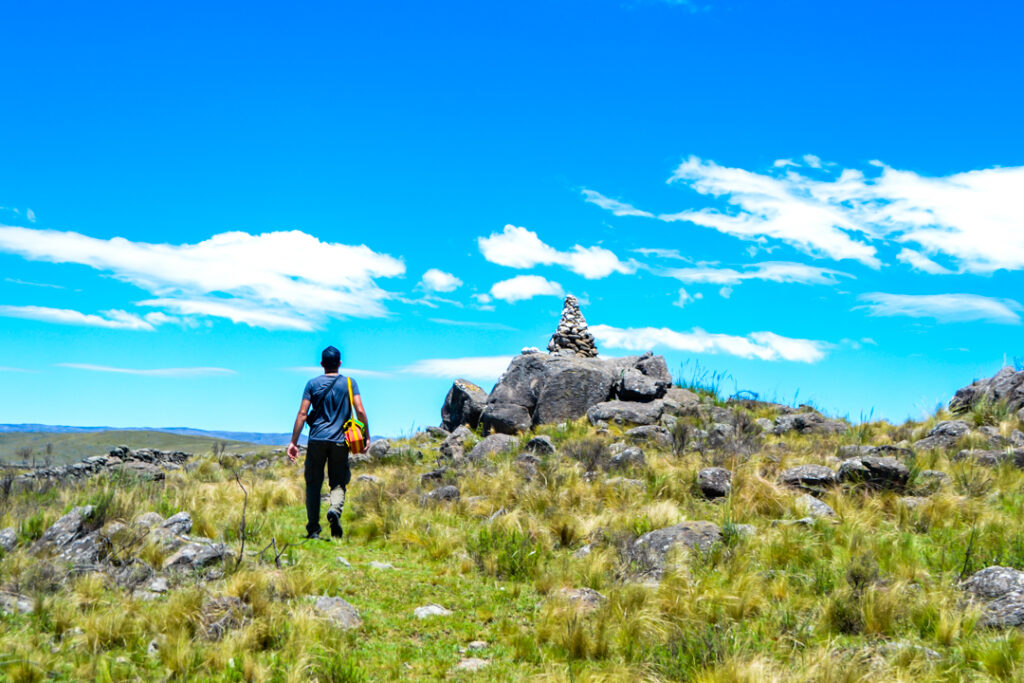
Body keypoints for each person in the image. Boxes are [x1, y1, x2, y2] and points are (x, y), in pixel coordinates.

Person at [287, 346, 369, 540]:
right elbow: (360, 411)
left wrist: (293, 442)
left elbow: (302, 414)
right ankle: (334, 510)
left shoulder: (312, 384)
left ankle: (313, 530)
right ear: (340, 363)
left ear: (322, 364)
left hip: (316, 440)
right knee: (338, 483)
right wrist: (366, 436)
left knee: (313, 485)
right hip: (340, 441)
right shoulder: (350, 383)